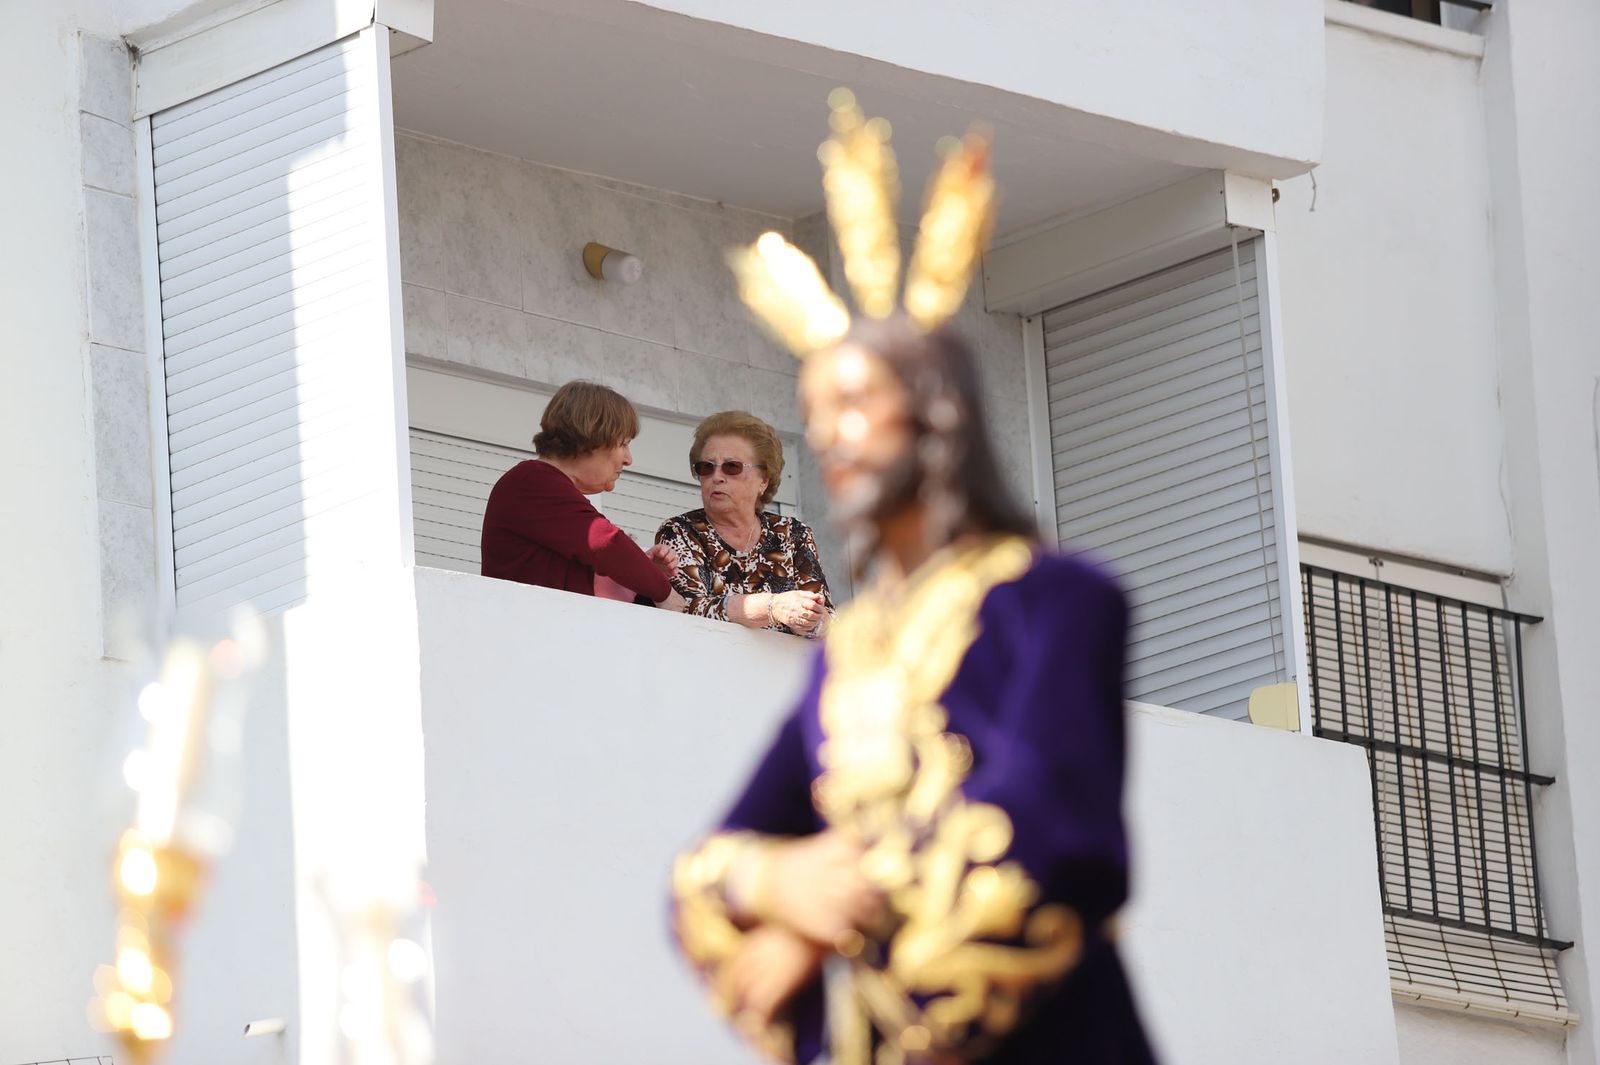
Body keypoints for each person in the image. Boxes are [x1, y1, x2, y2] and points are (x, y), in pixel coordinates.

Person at [670, 93, 1157, 1064]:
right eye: (815, 409)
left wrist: (824, 909)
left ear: (937, 414)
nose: (828, 435)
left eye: (854, 402)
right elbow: (704, 868)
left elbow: (1051, 823)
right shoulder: (852, 653)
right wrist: (772, 888)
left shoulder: (1054, 601)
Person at [481, 380, 685, 610]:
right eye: (624, 444)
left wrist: (642, 574)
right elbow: (607, 545)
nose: (628, 459)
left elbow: (597, 564)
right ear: (594, 437)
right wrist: (664, 592)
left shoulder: (545, 490)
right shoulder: (532, 481)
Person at [654, 411, 833, 637]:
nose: (717, 476)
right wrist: (772, 607)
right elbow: (686, 609)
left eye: (732, 467)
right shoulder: (680, 531)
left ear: (763, 481)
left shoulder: (793, 534)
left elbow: (829, 620)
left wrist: (810, 621)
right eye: (706, 467)